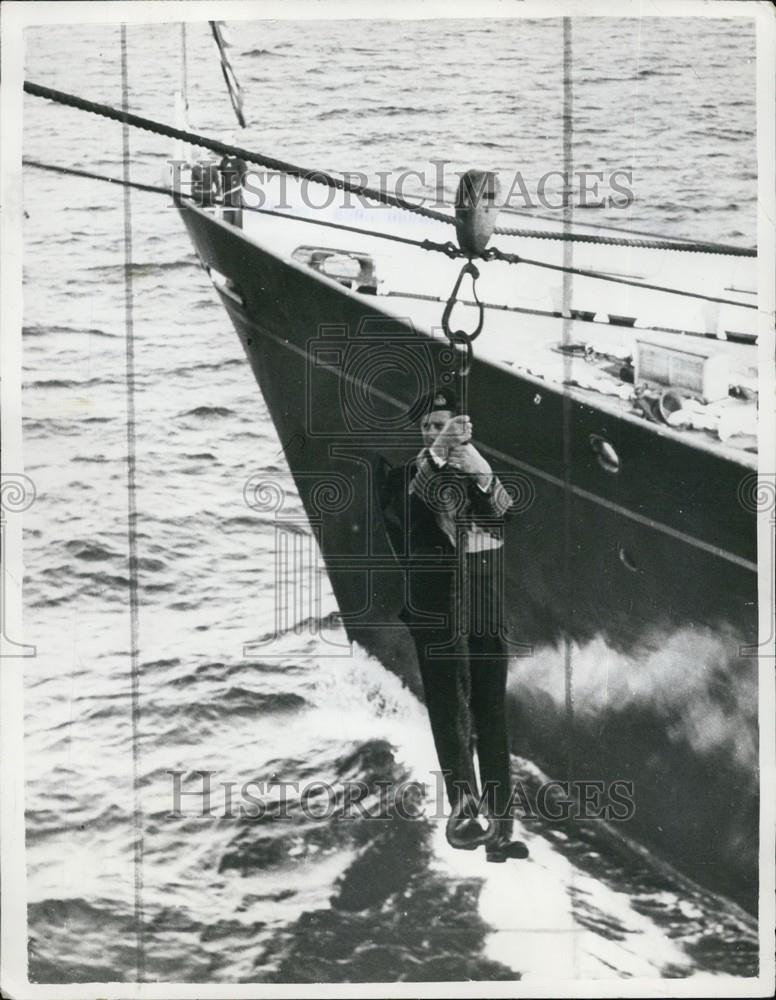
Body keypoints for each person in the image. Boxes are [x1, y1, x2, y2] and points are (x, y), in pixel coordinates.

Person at [379, 387, 527, 862]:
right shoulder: (405, 477)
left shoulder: (475, 475)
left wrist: (481, 472)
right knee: (450, 705)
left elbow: (504, 515)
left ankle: (501, 829)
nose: (432, 433)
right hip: (438, 603)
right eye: (426, 428)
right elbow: (412, 501)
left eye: (441, 424)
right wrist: (443, 450)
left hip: (482, 599)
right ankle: (464, 811)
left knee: (492, 710)